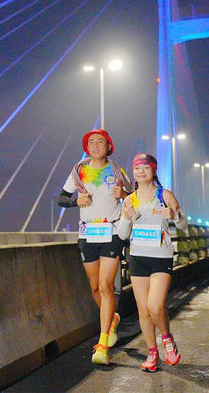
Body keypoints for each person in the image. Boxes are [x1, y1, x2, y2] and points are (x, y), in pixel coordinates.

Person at [58, 129, 133, 365]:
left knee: (106, 286)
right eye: (91, 142)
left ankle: (102, 344)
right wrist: (75, 201)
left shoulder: (117, 171)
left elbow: (133, 194)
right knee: (94, 287)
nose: (95, 145)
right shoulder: (79, 170)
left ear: (109, 146)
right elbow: (61, 197)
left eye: (100, 141)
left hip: (111, 233)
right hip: (87, 233)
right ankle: (112, 320)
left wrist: (124, 193)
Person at [117, 153, 186, 372]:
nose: (141, 171)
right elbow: (121, 234)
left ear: (154, 170)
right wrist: (126, 218)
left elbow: (184, 225)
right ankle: (152, 352)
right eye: (137, 168)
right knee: (143, 310)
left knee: (155, 305)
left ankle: (167, 339)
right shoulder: (129, 200)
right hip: (138, 257)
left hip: (161, 257)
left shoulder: (164, 195)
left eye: (146, 167)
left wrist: (174, 215)